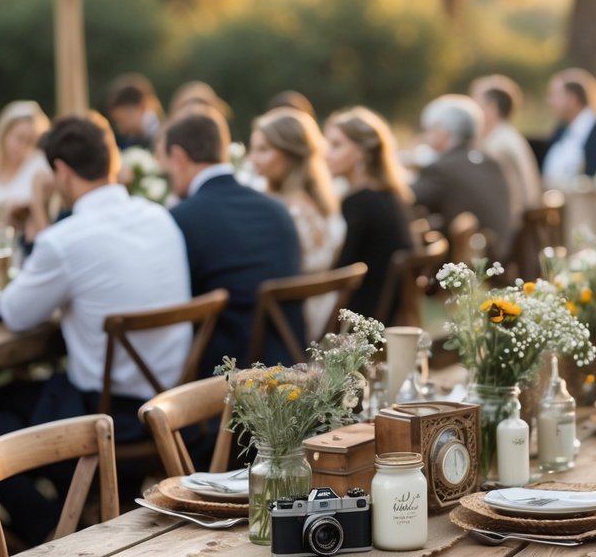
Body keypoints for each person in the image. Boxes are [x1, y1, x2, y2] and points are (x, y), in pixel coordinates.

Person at [0, 112, 192, 543]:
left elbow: (15, 313)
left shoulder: (66, 240)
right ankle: (73, 514)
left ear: (60, 170)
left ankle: (47, 526)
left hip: (106, 416)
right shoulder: (159, 217)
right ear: (113, 159)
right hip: (169, 409)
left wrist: (41, 209)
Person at [164, 108, 302, 371]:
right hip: (288, 366)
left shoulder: (180, 219)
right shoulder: (277, 211)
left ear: (179, 157)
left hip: (225, 379)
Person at [249, 107, 345, 338]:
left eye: (263, 150)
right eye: (252, 149)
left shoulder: (287, 211)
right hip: (326, 316)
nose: (253, 159)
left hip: (293, 326)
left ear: (290, 154)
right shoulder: (324, 201)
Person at [324, 107, 413, 323]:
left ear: (362, 151)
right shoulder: (390, 195)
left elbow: (341, 272)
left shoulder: (360, 203)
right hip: (388, 309)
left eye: (336, 145)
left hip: (361, 315)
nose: (327, 154)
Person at [412, 94, 513, 260]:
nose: (426, 136)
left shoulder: (443, 168)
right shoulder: (491, 161)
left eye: (429, 129)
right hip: (500, 253)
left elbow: (407, 199)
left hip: (470, 262)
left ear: (443, 132)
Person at [470, 75, 542, 229]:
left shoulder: (499, 146)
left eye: (476, 104)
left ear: (491, 108)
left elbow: (496, 202)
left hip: (513, 234)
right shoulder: (506, 136)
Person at [0, 100, 51, 235]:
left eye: (30, 141)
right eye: (19, 138)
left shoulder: (39, 168)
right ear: (4, 133)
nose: (23, 147)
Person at [105, 73, 163, 151]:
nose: (121, 129)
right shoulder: (132, 141)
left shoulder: (164, 137)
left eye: (121, 121)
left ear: (141, 106)